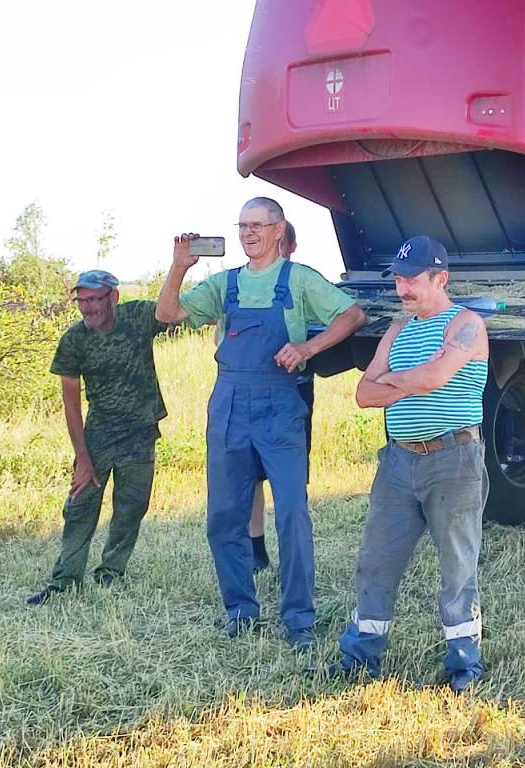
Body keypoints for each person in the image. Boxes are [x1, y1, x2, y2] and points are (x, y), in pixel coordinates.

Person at [156, 197, 366, 649]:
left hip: (280, 405)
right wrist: (179, 267)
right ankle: (240, 611)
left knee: (292, 514)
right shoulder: (226, 285)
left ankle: (299, 621)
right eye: (242, 226)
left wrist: (309, 349)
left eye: (257, 225)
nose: (248, 233)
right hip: (229, 403)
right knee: (223, 517)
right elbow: (167, 315)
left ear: (277, 230)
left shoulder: (300, 278)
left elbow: (353, 315)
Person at [336, 235, 490, 693]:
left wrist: (395, 381)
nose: (403, 289)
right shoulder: (398, 330)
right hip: (399, 461)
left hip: (452, 459)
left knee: (457, 567)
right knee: (376, 561)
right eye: (399, 279)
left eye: (412, 279)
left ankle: (464, 666)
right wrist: (412, 381)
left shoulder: (465, 325)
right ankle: (360, 659)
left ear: (440, 278)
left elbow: (435, 377)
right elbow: (364, 395)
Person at [27, 270, 169, 606]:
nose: (87, 308)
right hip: (98, 435)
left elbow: (170, 310)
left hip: (140, 431)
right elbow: (71, 404)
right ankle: (65, 580)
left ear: (113, 298)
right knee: (80, 506)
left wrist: (181, 264)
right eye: (81, 301)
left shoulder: (137, 317)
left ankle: (111, 571)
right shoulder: (73, 340)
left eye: (94, 300)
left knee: (132, 506)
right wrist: (84, 460)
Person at [249, 221, 315, 572]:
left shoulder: (303, 283)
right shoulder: (241, 284)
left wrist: (308, 347)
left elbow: (340, 321)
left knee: (292, 479)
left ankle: (295, 552)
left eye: (282, 249)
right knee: (250, 477)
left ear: (289, 245)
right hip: (247, 395)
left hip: (293, 393)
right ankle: (256, 550)